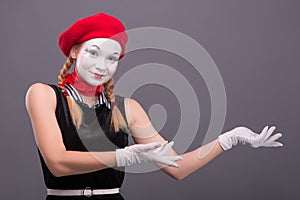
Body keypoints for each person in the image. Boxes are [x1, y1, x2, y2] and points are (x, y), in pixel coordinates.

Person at [25, 12, 283, 200]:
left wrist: (229, 139)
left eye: (112, 58)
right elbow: (57, 162)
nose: (102, 65)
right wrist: (125, 155)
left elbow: (177, 167)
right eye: (93, 52)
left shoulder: (128, 109)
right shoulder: (44, 95)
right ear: (74, 52)